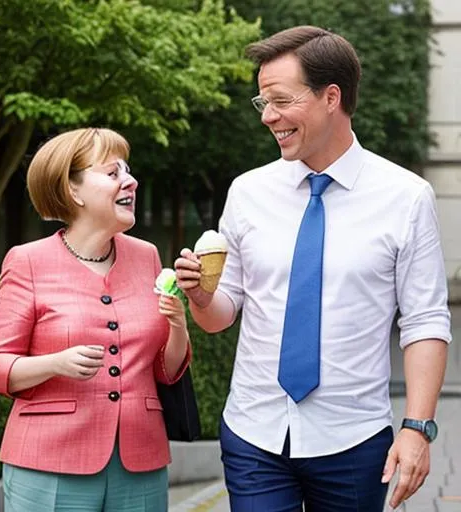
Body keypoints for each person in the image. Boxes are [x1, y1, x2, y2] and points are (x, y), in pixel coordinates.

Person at [174, 25, 451, 512]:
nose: (269, 117)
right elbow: (221, 316)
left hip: (354, 440)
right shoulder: (247, 193)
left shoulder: (406, 198)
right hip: (254, 433)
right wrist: (200, 295)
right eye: (263, 103)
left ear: (331, 97)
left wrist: (417, 428)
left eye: (280, 100)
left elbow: (425, 321)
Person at [0, 127, 191, 512]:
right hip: (49, 462)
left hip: (141, 459)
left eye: (128, 171)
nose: (131, 180)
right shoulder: (27, 261)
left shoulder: (147, 256)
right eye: (112, 173)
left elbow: (166, 371)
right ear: (73, 190)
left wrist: (178, 325)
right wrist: (56, 363)